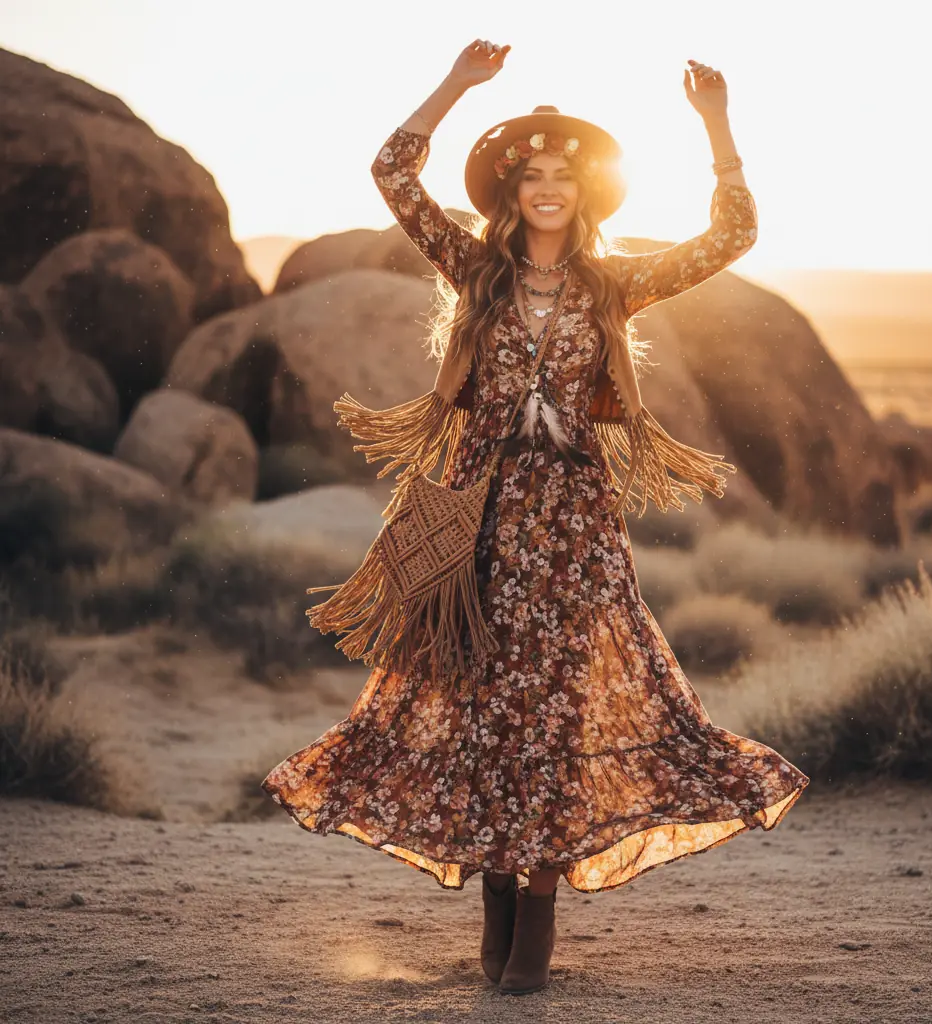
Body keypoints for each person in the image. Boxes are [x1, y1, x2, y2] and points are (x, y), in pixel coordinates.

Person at [262, 39, 809, 995]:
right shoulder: (476, 272)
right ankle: (500, 897)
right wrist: (459, 87)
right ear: (510, 194)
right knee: (483, 709)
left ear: (585, 194)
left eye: (565, 176)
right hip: (474, 514)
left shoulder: (614, 284)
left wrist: (715, 126)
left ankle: (540, 905)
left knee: (555, 710)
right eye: (532, 175)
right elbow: (393, 171)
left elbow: (732, 236)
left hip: (573, 526)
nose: (548, 188)